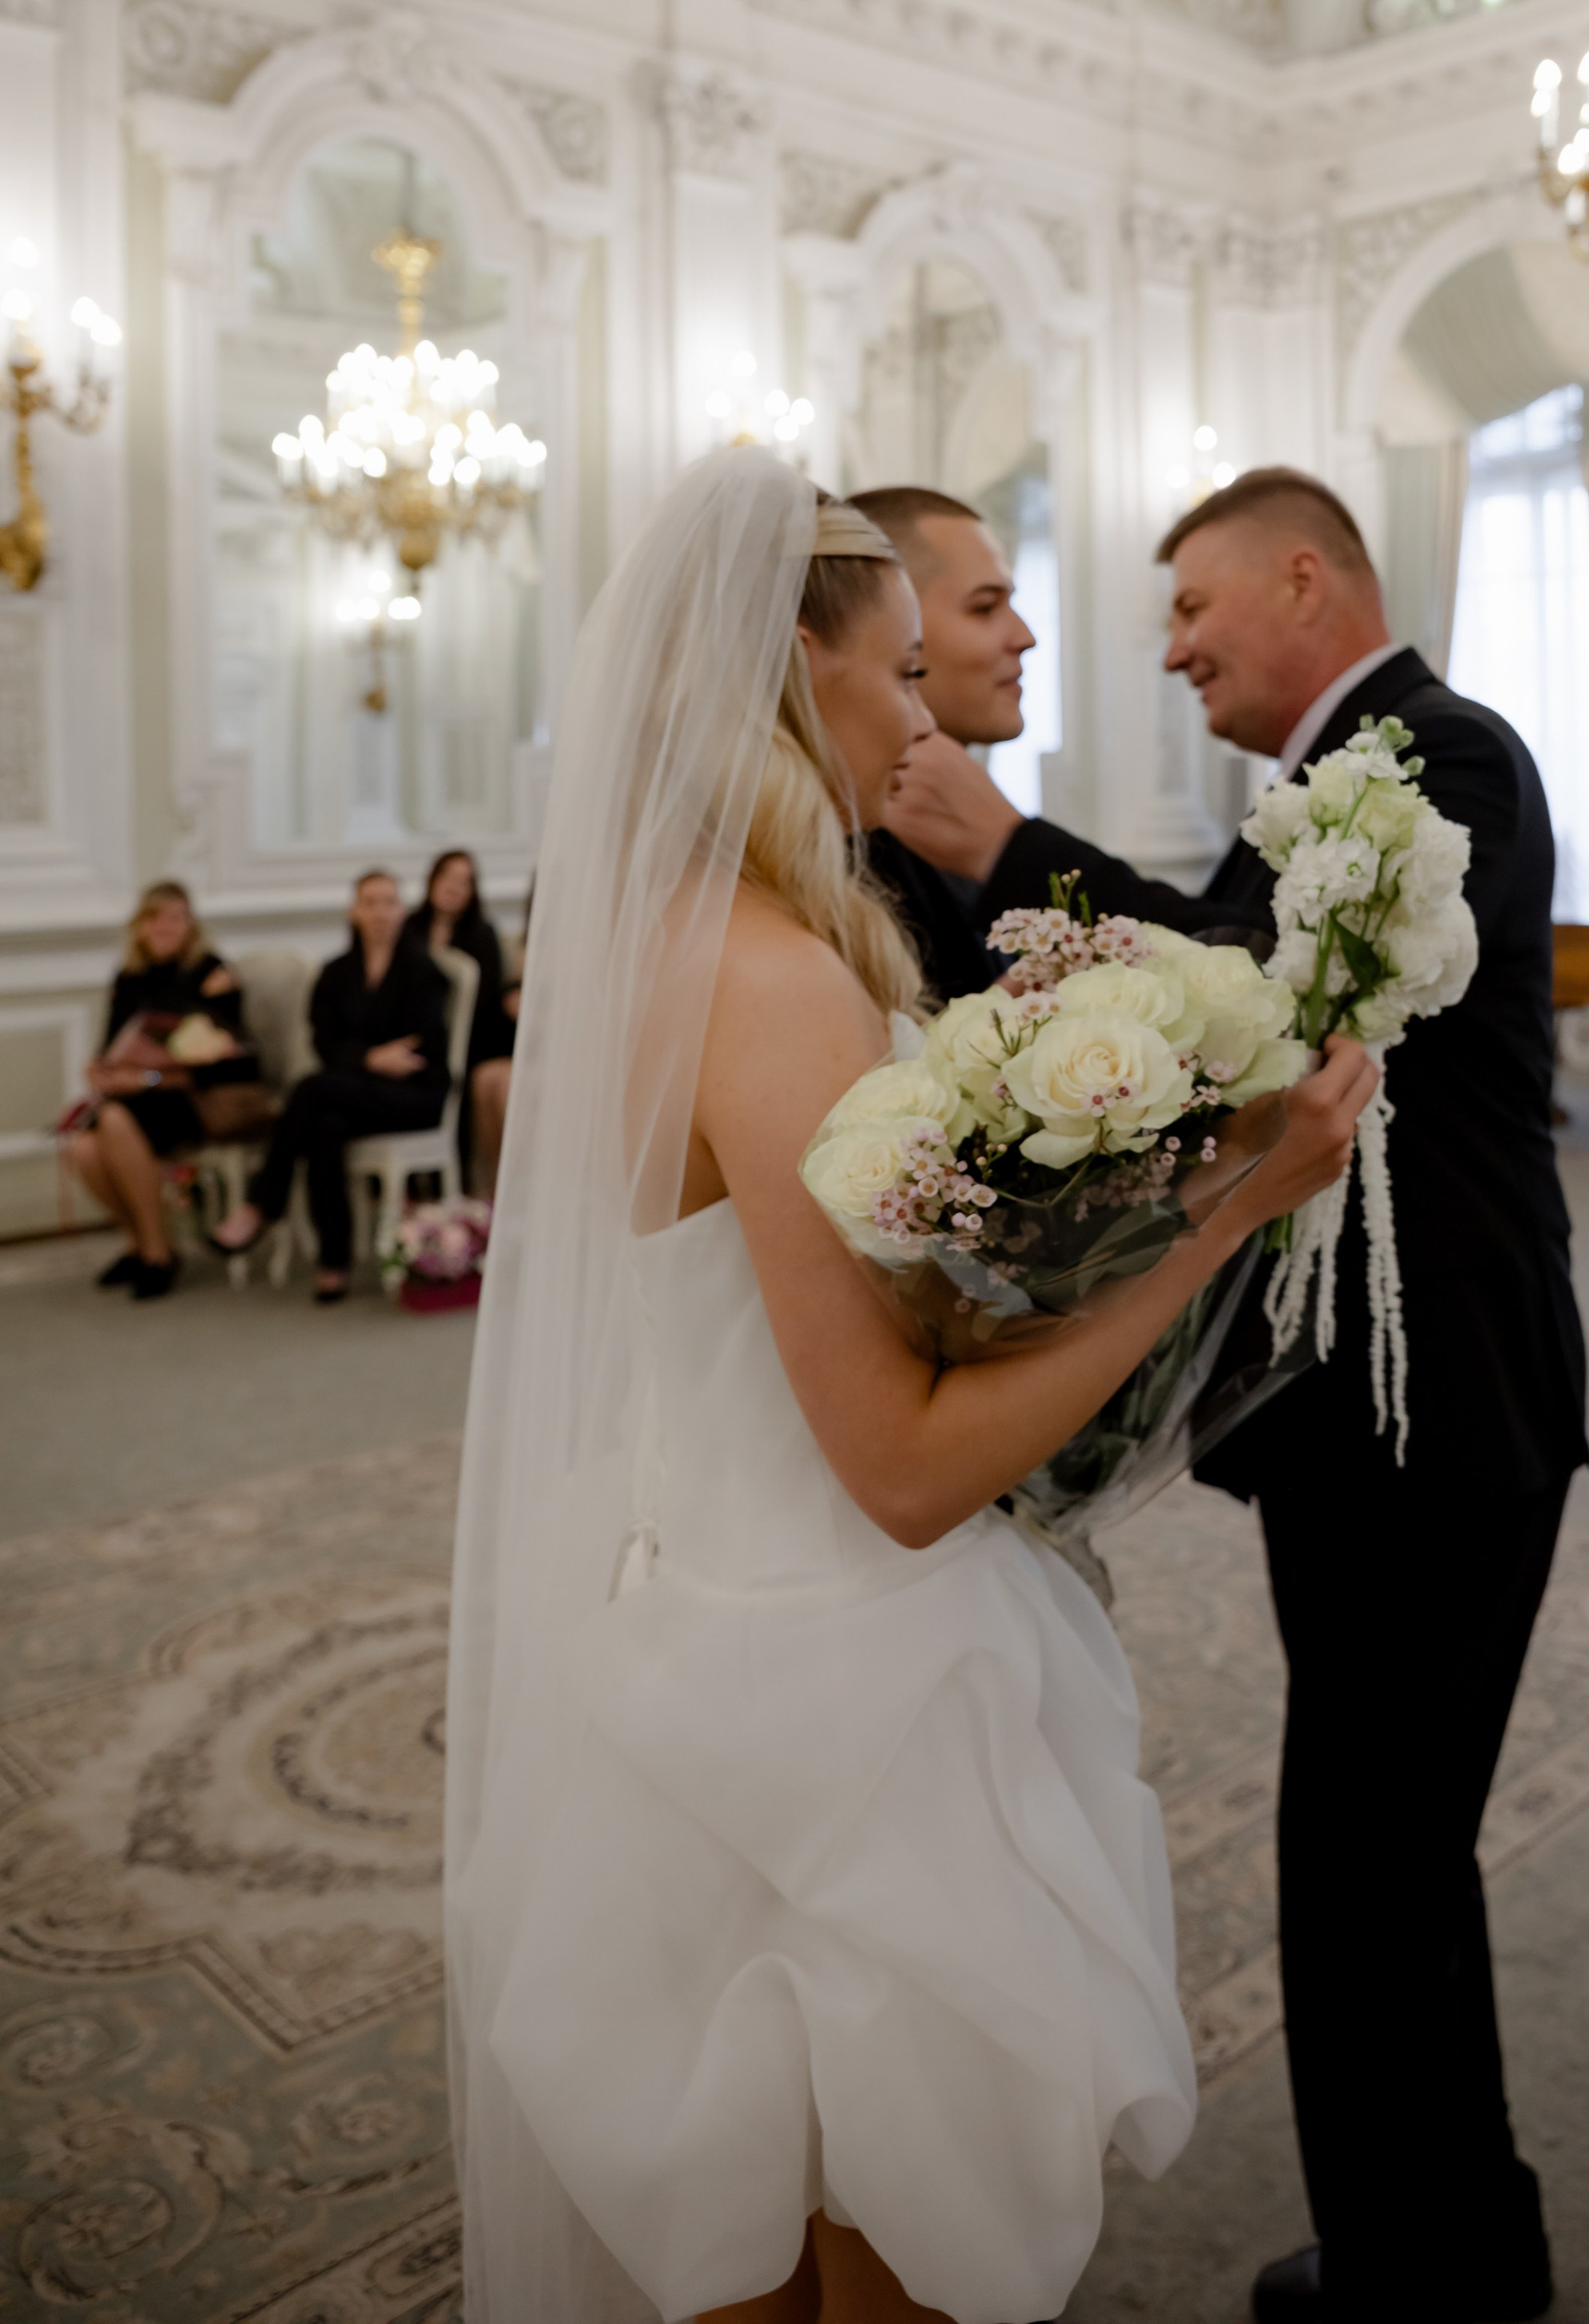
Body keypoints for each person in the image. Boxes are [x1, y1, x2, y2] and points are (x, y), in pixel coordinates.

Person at [441, 449, 1375, 2324]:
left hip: (672, 1620)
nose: (922, 712)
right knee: (889, 2252)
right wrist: (1226, 1209)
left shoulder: (653, 948)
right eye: (894, 672)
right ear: (798, 672)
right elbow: (894, 1460)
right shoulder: (773, 977)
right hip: (829, 1683)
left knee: (755, 2242)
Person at [883, 464, 1589, 2324]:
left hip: (1439, 1404)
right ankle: (1453, 2243)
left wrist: (1007, 844)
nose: (1168, 644)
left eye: (1190, 605)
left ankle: (1407, 2271)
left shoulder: (1449, 759)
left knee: (1362, 1866)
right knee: (1385, 1857)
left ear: (1302, 576)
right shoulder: (1316, 793)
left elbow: (1255, 1014)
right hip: (1364, 1413)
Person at [211, 868, 449, 1302]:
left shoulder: (422, 969)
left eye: (389, 902)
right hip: (353, 1093)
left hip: (415, 1096)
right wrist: (372, 1058)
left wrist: (357, 1058)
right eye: (370, 902)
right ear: (354, 911)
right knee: (326, 1124)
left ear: (403, 911)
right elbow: (324, 1040)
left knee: (310, 1091)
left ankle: (261, 1203)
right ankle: (333, 1261)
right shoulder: (337, 972)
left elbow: (420, 1047)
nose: (380, 912)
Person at [843, 485, 1037, 996]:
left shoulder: (973, 815)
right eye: (984, 607)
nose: (1025, 636)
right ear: (893, 619)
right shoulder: (853, 849)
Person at [66, 879, 255, 1303]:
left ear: (191, 925)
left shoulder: (213, 973)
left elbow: (232, 1061)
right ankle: (139, 1241)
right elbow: (113, 1046)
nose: (166, 927)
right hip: (138, 1096)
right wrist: (101, 1071)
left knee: (115, 1120)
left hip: (191, 1098)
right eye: (157, 917)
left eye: (177, 917)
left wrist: (145, 1080)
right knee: (82, 1146)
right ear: (140, 925)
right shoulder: (129, 977)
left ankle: (158, 1253)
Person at [401, 848, 515, 1192]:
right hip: (420, 1037)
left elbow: (487, 1001)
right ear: (433, 880)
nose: (454, 888)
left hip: (474, 1039)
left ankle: (458, 1184)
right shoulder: (409, 929)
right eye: (448, 877)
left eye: (464, 882)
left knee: (457, 1075)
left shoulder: (482, 935)